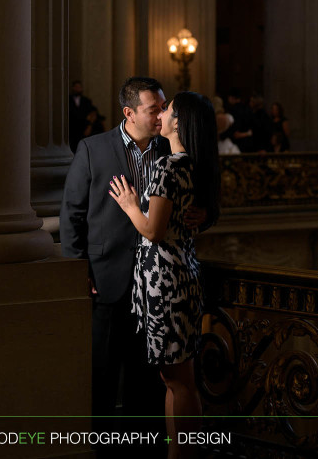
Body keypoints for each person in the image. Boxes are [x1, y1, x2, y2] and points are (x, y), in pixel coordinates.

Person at [60, 77, 210, 417]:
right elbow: (72, 214)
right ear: (129, 112)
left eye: (162, 108)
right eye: (152, 110)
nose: (160, 116)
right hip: (107, 279)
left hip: (156, 288)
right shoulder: (92, 148)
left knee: (149, 385)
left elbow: (196, 197)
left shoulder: (169, 149)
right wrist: (77, 268)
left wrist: (205, 214)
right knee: (103, 377)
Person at [109, 91, 220, 456]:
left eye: (168, 109)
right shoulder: (193, 164)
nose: (162, 113)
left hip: (166, 286)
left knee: (179, 381)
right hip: (179, 280)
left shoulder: (169, 166)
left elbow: (153, 230)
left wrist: (128, 205)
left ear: (179, 121)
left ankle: (181, 455)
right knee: (176, 379)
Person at [68, 79, 94, 152]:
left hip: (83, 128)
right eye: (76, 87)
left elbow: (91, 114)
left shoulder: (86, 101)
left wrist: (89, 126)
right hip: (72, 129)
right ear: (73, 88)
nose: (77, 89)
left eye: (79, 87)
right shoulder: (68, 100)